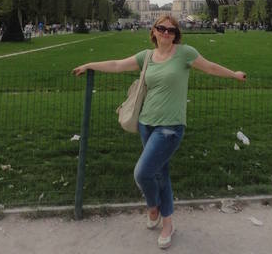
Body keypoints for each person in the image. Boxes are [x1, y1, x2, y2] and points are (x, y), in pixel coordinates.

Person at [72, 14, 246, 249]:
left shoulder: (185, 53)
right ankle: (167, 223)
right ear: (153, 31)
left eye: (171, 30)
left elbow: (210, 67)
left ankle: (153, 207)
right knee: (160, 174)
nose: (166, 33)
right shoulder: (146, 56)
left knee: (142, 173)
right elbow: (117, 65)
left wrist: (234, 74)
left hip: (170, 127)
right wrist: (90, 65)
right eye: (162, 28)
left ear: (176, 35)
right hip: (146, 123)